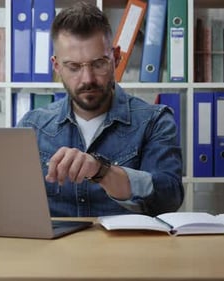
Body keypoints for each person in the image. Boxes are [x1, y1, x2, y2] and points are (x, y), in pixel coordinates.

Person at [17, 1, 183, 217]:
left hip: (128, 250)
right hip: (53, 250)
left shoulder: (155, 121)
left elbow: (169, 199)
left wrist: (101, 171)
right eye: (74, 67)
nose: (87, 79)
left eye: (98, 64)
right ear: (57, 67)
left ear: (115, 58)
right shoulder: (33, 126)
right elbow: (15, 203)